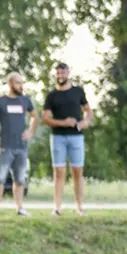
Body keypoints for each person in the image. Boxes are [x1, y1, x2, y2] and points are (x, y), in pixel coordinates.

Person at [43, 62, 92, 216]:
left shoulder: (78, 92)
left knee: (77, 171)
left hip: (76, 137)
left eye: (63, 73)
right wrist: (63, 123)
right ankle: (57, 207)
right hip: (58, 137)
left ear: (68, 73)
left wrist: (85, 122)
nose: (60, 76)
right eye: (58, 73)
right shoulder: (51, 96)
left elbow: (88, 110)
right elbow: (45, 118)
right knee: (59, 172)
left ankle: (80, 207)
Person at [0, 71, 36, 217]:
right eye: (18, 83)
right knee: (0, 178)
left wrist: (31, 131)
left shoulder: (25, 101)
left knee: (20, 179)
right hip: (4, 146)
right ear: (10, 84)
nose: (21, 86)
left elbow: (35, 117)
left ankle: (20, 208)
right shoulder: (0, 102)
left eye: (22, 83)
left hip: (21, 147)